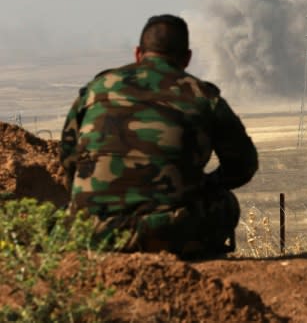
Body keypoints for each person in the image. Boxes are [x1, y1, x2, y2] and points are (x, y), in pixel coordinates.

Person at [60, 14, 258, 259]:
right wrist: (205, 184)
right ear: (187, 58)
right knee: (225, 204)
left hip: (93, 231)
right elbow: (243, 166)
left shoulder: (96, 89)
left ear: (137, 53)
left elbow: (69, 159)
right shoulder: (203, 96)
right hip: (167, 233)